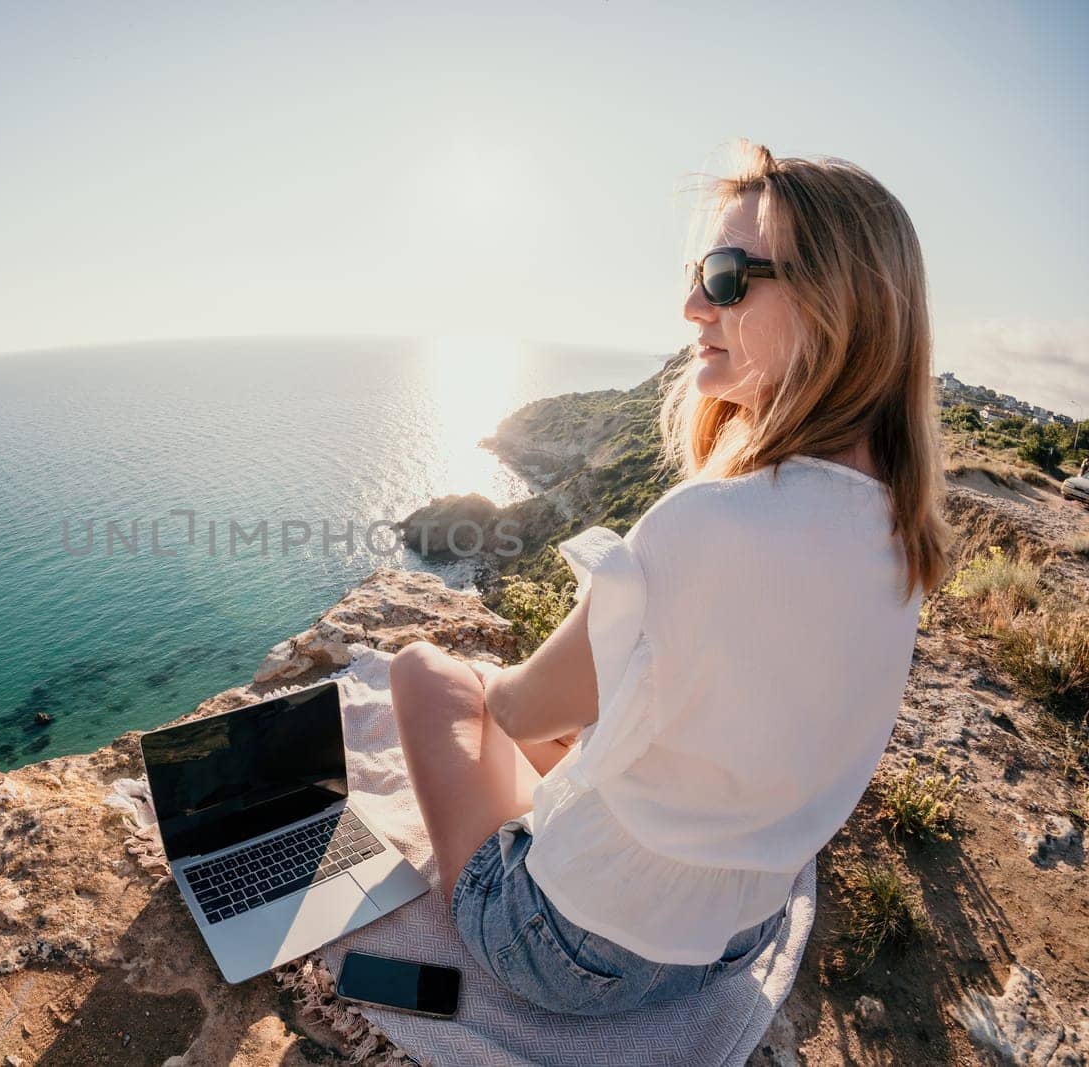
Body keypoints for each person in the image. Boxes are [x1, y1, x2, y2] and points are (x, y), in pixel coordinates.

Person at [390, 139, 955, 1016]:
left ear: (836, 304)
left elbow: (518, 712)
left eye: (728, 276)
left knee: (427, 673)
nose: (693, 303)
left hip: (571, 954)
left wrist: (484, 687)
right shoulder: (903, 536)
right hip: (735, 940)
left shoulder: (709, 523)